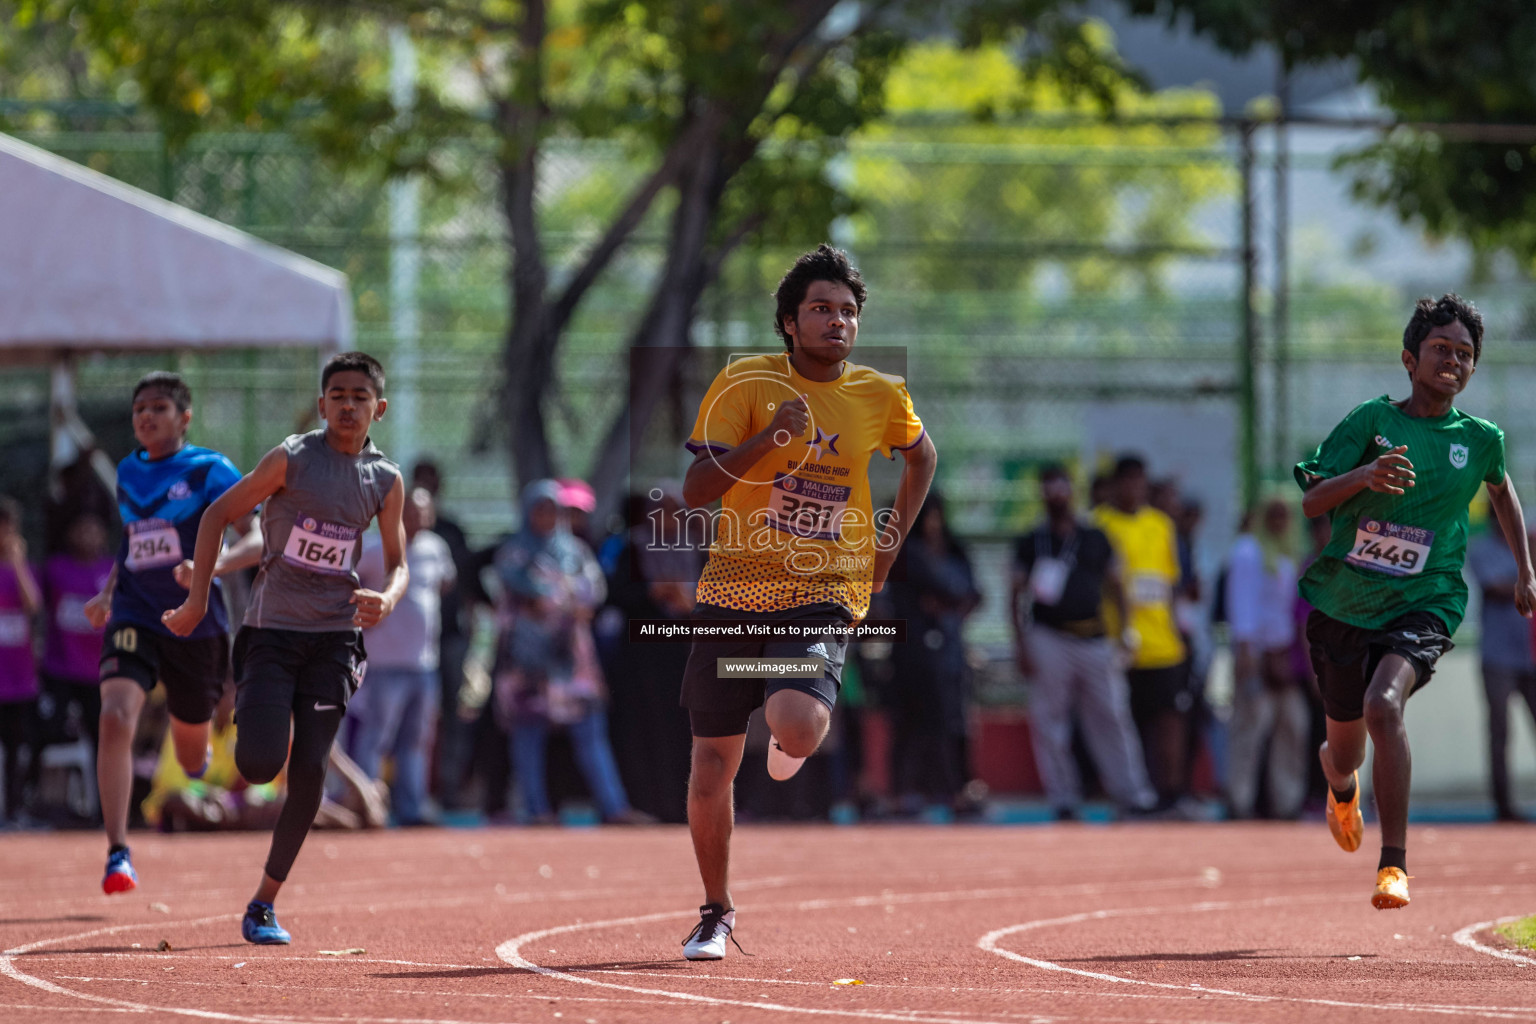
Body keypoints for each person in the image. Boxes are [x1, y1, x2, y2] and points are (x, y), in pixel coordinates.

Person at [677, 243, 936, 959]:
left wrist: (889, 544)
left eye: (848, 312)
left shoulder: (880, 395)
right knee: (709, 769)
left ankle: (791, 730)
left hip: (823, 590)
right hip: (732, 591)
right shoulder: (743, 382)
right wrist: (770, 438)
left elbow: (923, 456)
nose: (838, 322)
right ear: (790, 323)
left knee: (793, 721)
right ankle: (716, 910)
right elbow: (696, 492)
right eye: (821, 310)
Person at [1297, 293, 1533, 909]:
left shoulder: (1480, 439)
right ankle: (1340, 785)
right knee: (1344, 750)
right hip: (1346, 600)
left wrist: (1524, 569)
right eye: (1439, 349)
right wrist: (1366, 476)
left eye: (1464, 354)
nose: (1452, 361)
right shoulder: (1371, 422)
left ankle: (1393, 866)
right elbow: (1313, 500)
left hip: (1426, 599)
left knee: (1384, 704)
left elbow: (1502, 492)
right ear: (1409, 358)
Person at [164, 351, 408, 945]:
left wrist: (388, 598)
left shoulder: (385, 480)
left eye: (358, 397)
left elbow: (400, 564)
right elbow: (220, 513)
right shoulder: (292, 459)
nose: (347, 406)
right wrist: (200, 596)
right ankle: (273, 714)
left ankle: (263, 904)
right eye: (336, 395)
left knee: (310, 774)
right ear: (322, 403)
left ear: (378, 408)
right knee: (257, 764)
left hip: (334, 640)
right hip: (272, 632)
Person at [77, 373, 256, 894]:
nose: (145, 417)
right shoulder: (130, 470)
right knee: (113, 717)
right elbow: (135, 540)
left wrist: (212, 568)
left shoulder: (210, 470)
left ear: (185, 416)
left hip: (195, 622)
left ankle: (199, 758)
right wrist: (110, 592)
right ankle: (117, 852)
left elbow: (259, 535)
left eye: (158, 407)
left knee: (191, 754)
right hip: (134, 612)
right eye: (139, 409)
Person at [1012, 465, 1156, 820]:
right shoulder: (1031, 541)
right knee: (1051, 720)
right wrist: (1021, 644)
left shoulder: (1095, 536)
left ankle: (1132, 794)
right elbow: (1014, 594)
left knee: (1112, 716)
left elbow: (1118, 586)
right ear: (1043, 494)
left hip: (1094, 638)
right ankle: (1064, 798)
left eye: (1062, 487)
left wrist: (1125, 631)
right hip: (1048, 638)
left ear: (1072, 491)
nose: (1056, 494)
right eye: (1049, 488)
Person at [491, 480, 637, 825]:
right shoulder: (513, 552)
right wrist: (557, 600)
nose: (546, 516)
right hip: (526, 663)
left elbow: (594, 592)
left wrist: (565, 602)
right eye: (539, 509)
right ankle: (536, 809)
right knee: (528, 735)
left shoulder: (575, 552)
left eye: (553, 509)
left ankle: (614, 808)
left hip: (571, 662)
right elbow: (516, 590)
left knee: (590, 732)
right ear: (527, 511)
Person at [348, 487, 455, 825]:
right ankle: (367, 805)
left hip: (424, 664)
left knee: (417, 740)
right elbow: (346, 584)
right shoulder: (375, 550)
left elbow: (445, 585)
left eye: (424, 513)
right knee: (376, 738)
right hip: (383, 664)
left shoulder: (437, 549)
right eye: (411, 512)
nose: (417, 518)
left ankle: (412, 807)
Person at [1094, 455, 1191, 811]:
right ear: (1115, 484)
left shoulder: (1161, 525)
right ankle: (1127, 796)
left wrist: (1179, 631)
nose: (1134, 488)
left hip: (1162, 644)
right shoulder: (1098, 524)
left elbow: (1169, 586)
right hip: (1119, 644)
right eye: (1127, 480)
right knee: (1122, 727)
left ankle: (1171, 794)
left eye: (1140, 480)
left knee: (1169, 723)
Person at [887, 492, 980, 815]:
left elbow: (970, 593)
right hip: (911, 651)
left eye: (936, 515)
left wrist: (950, 603)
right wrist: (949, 598)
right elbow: (950, 589)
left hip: (949, 651)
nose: (932, 523)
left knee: (950, 722)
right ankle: (906, 794)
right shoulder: (906, 551)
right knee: (912, 723)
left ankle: (955, 791)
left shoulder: (955, 550)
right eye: (926, 516)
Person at [1223, 498, 1307, 820]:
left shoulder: (1287, 552)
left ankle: (1287, 801)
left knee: (1292, 726)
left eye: (1283, 515)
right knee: (1249, 727)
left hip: (1282, 657)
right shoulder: (1248, 550)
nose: (1278, 521)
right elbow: (1241, 603)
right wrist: (1247, 652)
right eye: (1271, 514)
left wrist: (1290, 655)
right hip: (1255, 654)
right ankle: (1239, 800)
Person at [1466, 516, 1536, 820]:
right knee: (1500, 732)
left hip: (1531, 656)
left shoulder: (1527, 550)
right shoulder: (1482, 549)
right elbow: (1496, 588)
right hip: (1497, 658)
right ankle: (1504, 805)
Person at [0, 497, 41, 825]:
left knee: (18, 748)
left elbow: (33, 605)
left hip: (19, 678)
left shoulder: (24, 568)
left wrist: (16, 563)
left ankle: (15, 809)